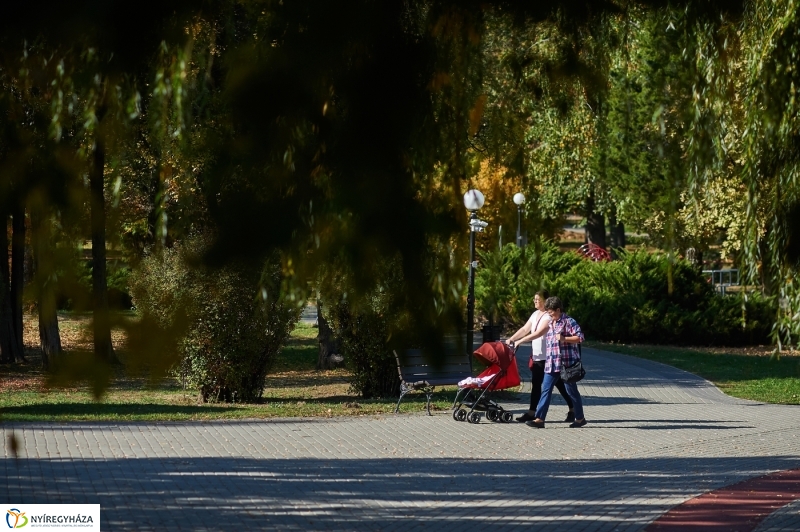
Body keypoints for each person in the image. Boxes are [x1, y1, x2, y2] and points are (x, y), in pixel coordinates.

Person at [505, 290, 575, 423]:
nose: (535, 301)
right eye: (534, 299)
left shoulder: (549, 317)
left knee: (559, 385)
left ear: (545, 300)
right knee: (537, 384)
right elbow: (525, 329)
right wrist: (512, 338)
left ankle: (572, 408)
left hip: (549, 357)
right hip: (537, 357)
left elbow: (538, 333)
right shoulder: (535, 314)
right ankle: (532, 412)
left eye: (538, 299)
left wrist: (521, 341)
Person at [527, 296, 587, 429]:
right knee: (545, 389)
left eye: (551, 312)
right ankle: (539, 419)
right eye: (548, 312)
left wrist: (564, 338)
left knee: (572, 391)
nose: (549, 314)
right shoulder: (550, 323)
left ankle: (580, 418)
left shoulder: (568, 321)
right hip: (552, 363)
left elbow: (580, 337)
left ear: (558, 309)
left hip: (567, 364)